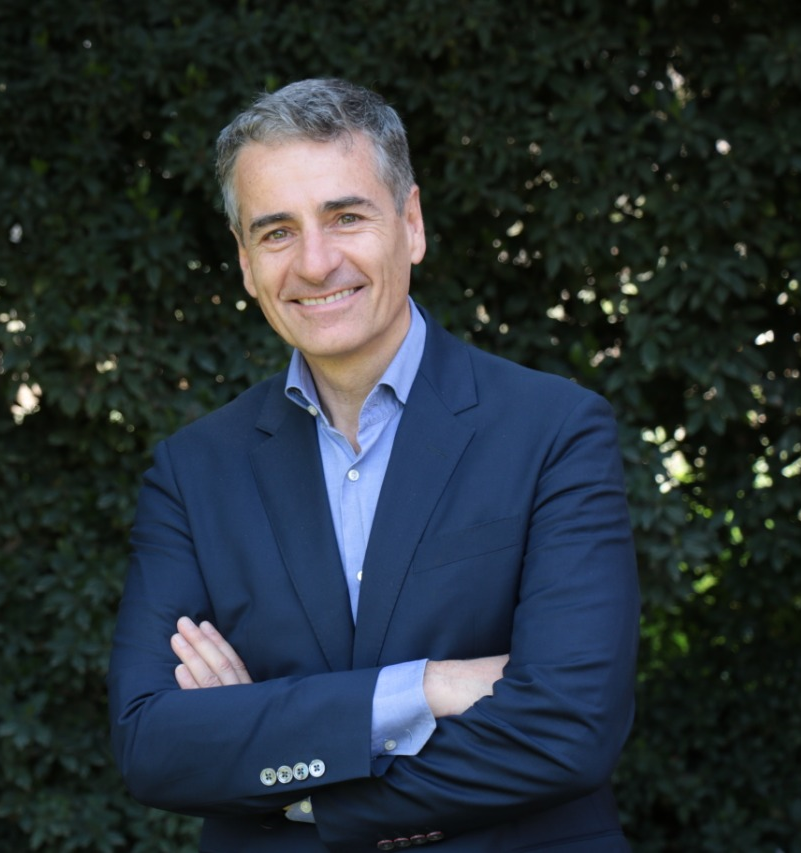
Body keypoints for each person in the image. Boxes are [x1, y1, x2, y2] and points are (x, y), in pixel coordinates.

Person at [107, 78, 640, 852]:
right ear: (246, 262)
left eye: (346, 217)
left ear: (411, 225)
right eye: (277, 232)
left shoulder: (553, 429)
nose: (316, 262)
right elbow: (154, 743)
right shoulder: (194, 471)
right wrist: (427, 685)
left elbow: (570, 728)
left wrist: (300, 790)